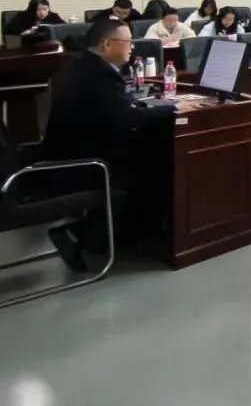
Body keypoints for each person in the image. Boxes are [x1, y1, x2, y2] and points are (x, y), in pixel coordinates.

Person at [42, 18, 174, 270]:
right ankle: (87, 234)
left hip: (67, 156)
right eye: (128, 42)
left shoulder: (84, 65)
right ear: (107, 45)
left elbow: (117, 109)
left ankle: (117, 235)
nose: (132, 47)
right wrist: (172, 109)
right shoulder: (100, 75)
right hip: (81, 166)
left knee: (150, 155)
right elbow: (130, 118)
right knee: (156, 166)